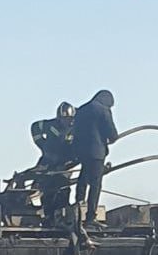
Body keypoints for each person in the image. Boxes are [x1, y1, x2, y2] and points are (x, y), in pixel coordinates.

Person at [73, 91, 118, 227]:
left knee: (82, 179)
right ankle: (90, 217)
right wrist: (111, 139)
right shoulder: (103, 110)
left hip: (82, 151)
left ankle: (77, 209)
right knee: (95, 183)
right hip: (97, 152)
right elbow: (112, 134)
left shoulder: (81, 110)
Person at [30, 102, 78, 224]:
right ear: (59, 118)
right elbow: (35, 126)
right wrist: (42, 144)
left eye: (70, 118)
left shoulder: (76, 128)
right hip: (48, 160)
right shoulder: (51, 125)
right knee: (46, 186)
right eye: (65, 118)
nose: (68, 121)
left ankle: (61, 213)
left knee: (62, 186)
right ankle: (48, 215)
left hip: (65, 163)